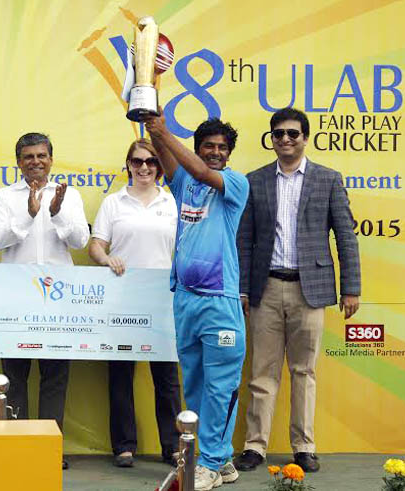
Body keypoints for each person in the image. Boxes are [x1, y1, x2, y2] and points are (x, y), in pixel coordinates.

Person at [233, 107, 361, 473]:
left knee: (304, 371)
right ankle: (255, 446)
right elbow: (244, 241)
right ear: (271, 139)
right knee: (262, 373)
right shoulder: (254, 181)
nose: (285, 139)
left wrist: (351, 288)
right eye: (278, 134)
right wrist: (243, 288)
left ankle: (304, 445)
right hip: (266, 288)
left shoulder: (328, 179)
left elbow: (346, 237)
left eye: (292, 133)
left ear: (305, 138)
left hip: (312, 288)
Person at [144, 110, 248, 490]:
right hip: (185, 298)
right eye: (209, 146)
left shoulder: (235, 183)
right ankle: (217, 460)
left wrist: (163, 130)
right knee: (197, 385)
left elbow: (204, 173)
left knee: (221, 384)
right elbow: (172, 160)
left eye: (222, 148)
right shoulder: (184, 178)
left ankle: (211, 460)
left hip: (219, 301)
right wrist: (151, 127)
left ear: (229, 154)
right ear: (198, 148)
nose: (216, 152)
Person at [0, 132, 89, 470]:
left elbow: (81, 240)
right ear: (18, 162)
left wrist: (56, 212)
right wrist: (28, 215)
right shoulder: (4, 196)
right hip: (14, 299)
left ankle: (49, 448)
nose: (35, 162)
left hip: (58, 302)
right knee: (14, 376)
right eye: (28, 157)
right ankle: (19, 447)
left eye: (41, 156)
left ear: (51, 159)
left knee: (55, 376)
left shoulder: (69, 195)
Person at [88, 139, 181, 468]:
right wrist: (106, 258)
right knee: (121, 375)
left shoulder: (173, 203)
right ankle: (124, 446)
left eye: (151, 162)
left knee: (167, 378)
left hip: (164, 299)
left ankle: (172, 446)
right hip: (122, 299)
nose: (144, 167)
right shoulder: (114, 203)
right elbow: (96, 245)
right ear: (127, 164)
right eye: (138, 161)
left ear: (159, 166)